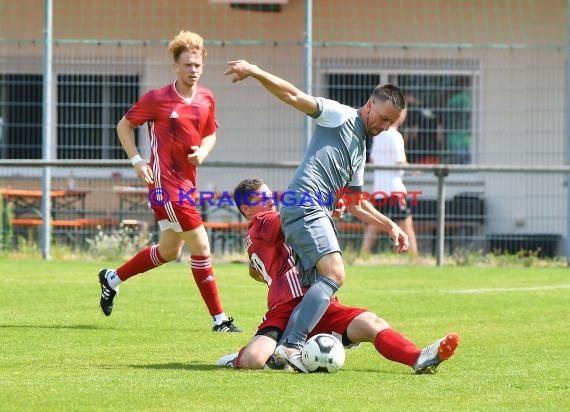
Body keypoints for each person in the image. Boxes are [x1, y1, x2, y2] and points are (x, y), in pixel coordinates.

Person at [225, 59, 409, 371]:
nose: (383, 126)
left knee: (319, 287)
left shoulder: (360, 150)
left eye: (390, 123)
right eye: (382, 118)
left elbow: (354, 203)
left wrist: (389, 225)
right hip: (303, 201)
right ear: (370, 105)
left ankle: (283, 347)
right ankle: (292, 346)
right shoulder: (340, 115)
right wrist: (255, 71)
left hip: (315, 208)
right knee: (335, 273)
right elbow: (293, 96)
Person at [216, 178, 459, 373]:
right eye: (262, 199)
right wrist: (327, 206)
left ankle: (418, 357)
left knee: (370, 323)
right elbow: (294, 215)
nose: (271, 202)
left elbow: (254, 271)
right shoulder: (261, 221)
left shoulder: (258, 235)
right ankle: (240, 356)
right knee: (253, 360)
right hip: (286, 310)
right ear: (246, 209)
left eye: (271, 197)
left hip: (317, 302)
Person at [97, 31, 241, 332]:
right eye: (188, 64)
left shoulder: (206, 97)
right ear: (175, 66)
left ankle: (112, 278)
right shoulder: (157, 99)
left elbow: (211, 133)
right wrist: (137, 161)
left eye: (198, 65)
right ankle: (220, 320)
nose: (193, 70)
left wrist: (203, 150)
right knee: (201, 245)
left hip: (187, 184)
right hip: (166, 188)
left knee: (169, 251)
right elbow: (124, 125)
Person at [361, 108, 419, 256]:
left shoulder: (379, 136)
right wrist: (414, 169)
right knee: (407, 224)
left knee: (374, 223)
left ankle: (363, 254)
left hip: (379, 188)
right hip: (395, 189)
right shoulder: (396, 136)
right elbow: (400, 162)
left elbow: (373, 159)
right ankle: (414, 256)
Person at [403, 91, 443, 164]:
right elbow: (439, 133)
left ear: (410, 96)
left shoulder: (412, 111)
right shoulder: (430, 108)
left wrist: (405, 149)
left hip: (417, 153)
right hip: (433, 152)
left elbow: (410, 134)